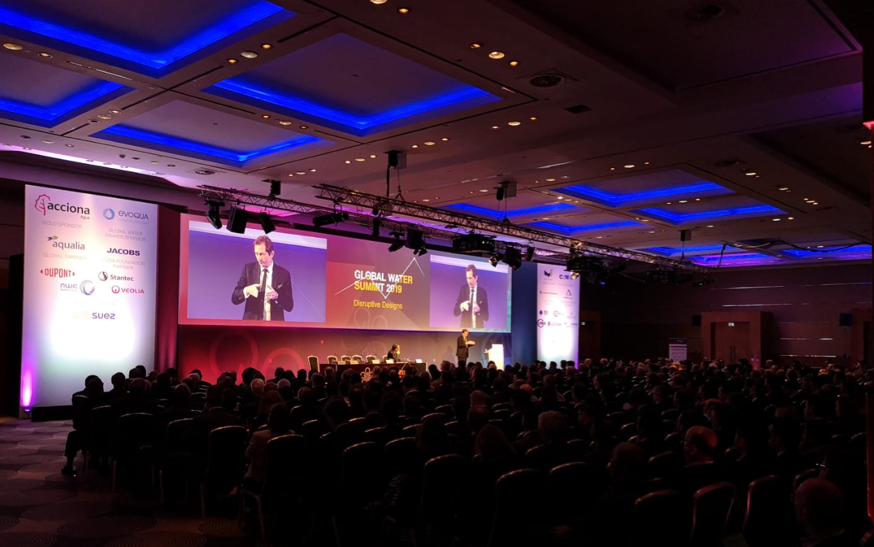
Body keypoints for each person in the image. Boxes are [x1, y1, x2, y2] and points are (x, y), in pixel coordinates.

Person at [231, 235, 294, 321]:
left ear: (271, 254)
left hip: (274, 328)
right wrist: (247, 290)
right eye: (256, 254)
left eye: (262, 254)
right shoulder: (248, 270)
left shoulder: (284, 274)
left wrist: (277, 297)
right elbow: (235, 298)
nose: (258, 258)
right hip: (251, 326)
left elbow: (289, 306)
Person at [453, 264, 489, 329]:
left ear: (476, 278)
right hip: (465, 332)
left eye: (470, 278)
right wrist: (462, 306)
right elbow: (455, 312)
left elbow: (486, 317)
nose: (469, 281)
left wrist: (479, 310)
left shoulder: (483, 292)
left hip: (478, 332)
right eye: (467, 278)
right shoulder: (463, 290)